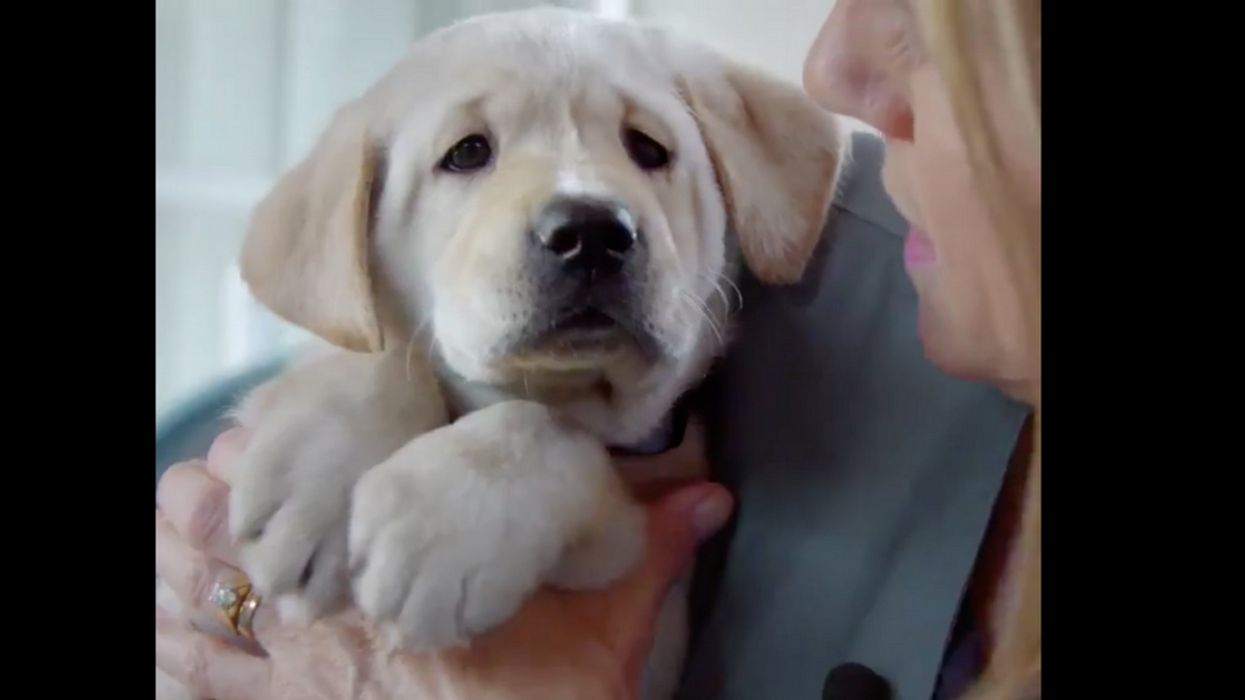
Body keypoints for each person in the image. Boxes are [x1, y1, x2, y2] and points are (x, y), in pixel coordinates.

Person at [154, 0, 1040, 698]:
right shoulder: (922, 251)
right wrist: (370, 388)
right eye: (468, 152)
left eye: (648, 148)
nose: (586, 220)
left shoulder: (885, 273)